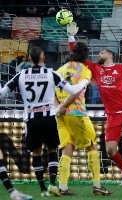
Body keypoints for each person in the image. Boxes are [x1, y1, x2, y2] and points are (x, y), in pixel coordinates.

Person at [66, 22, 122, 186]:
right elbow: (77, 56)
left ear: (109, 55)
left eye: (101, 52)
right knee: (109, 150)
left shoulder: (121, 68)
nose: (98, 54)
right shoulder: (95, 68)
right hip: (113, 115)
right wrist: (71, 37)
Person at [0, 46, 90, 197]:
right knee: (53, 149)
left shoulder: (21, 75)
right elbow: (73, 91)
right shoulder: (50, 73)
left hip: (31, 119)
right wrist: (85, 81)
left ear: (29, 59)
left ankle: (42, 188)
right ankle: (53, 185)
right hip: (48, 117)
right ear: (43, 58)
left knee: (36, 153)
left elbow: (2, 93)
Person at [55, 42, 112, 196]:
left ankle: (62, 186)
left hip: (60, 115)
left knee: (68, 147)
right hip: (77, 114)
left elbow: (52, 92)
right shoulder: (84, 71)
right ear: (85, 56)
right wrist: (64, 107)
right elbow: (75, 94)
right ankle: (97, 186)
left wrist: (58, 108)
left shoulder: (59, 70)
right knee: (91, 146)